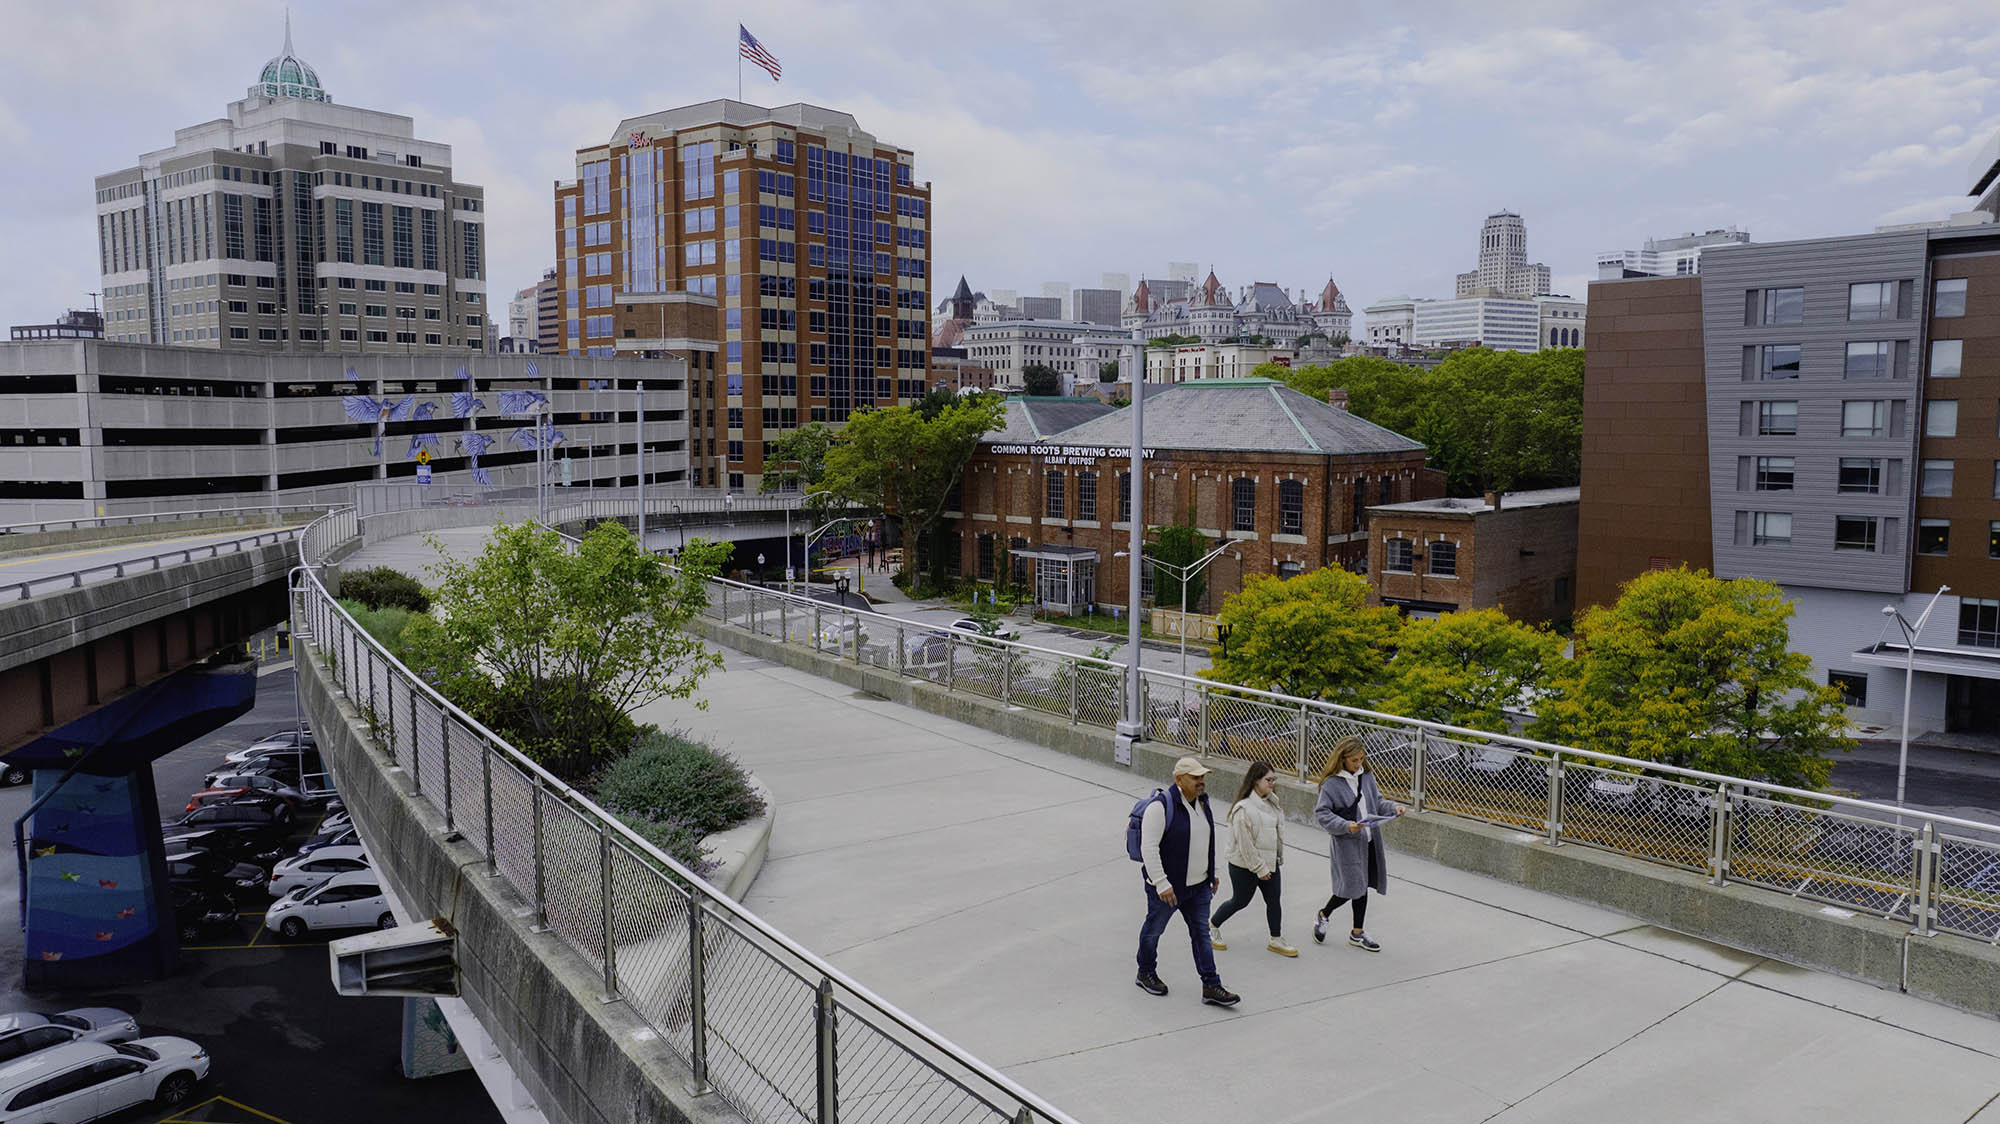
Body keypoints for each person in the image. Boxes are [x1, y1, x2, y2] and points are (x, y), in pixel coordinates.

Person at [1136, 758, 1240, 1007]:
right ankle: (1145, 972)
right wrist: (1162, 883)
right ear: (1179, 779)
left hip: (1199, 887)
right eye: (1195, 777)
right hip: (1168, 890)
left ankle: (1211, 985)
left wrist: (1212, 872)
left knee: (1201, 935)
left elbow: (1207, 840)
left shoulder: (1203, 803)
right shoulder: (1160, 808)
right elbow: (1148, 848)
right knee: (1154, 930)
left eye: (1202, 776)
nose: (1201, 781)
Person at [1311, 736, 1404, 951]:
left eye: (1361, 759)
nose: (1359, 764)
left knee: (1362, 887)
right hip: (1347, 844)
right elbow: (1322, 814)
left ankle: (1357, 932)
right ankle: (1324, 914)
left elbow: (1378, 802)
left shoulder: (1366, 776)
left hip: (1369, 840)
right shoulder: (1331, 784)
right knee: (1351, 887)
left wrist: (1394, 808)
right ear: (1342, 759)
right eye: (1354, 760)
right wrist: (1345, 825)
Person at [1209, 761, 1295, 957]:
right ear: (1255, 781)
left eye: (1274, 779)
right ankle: (1212, 926)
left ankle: (1276, 939)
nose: (1272, 783)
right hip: (1244, 866)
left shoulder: (1272, 803)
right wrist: (1260, 868)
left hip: (1269, 862)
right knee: (1240, 900)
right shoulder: (1243, 809)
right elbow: (1245, 844)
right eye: (1268, 780)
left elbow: (1276, 834)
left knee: (1274, 900)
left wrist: (1276, 860)